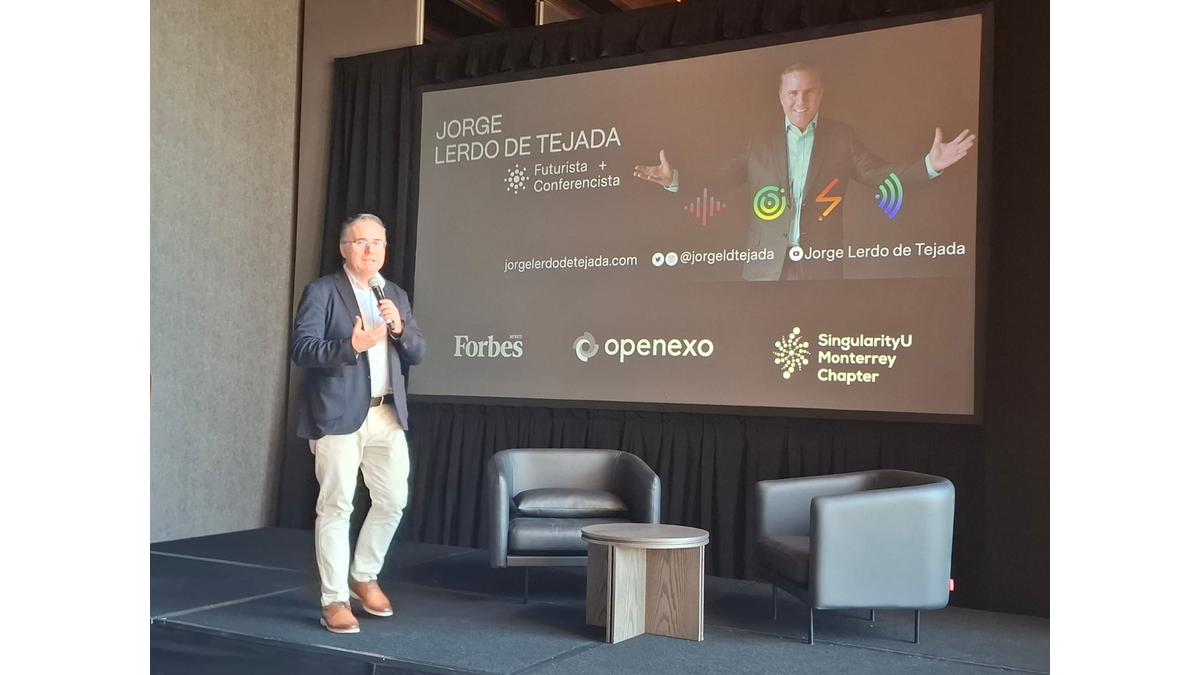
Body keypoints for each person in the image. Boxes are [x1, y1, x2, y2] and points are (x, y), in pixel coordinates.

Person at [634, 62, 976, 280]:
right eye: (793, 93)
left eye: (809, 92)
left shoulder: (841, 138)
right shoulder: (759, 143)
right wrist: (674, 179)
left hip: (820, 269)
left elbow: (878, 174)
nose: (801, 101)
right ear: (781, 96)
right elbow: (721, 178)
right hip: (765, 269)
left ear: (820, 94)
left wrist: (930, 165)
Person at [290, 213, 426, 633]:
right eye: (362, 242)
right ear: (344, 248)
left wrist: (398, 328)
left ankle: (364, 574)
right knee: (337, 506)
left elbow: (418, 351)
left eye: (378, 243)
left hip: (386, 414)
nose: (371, 251)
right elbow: (302, 348)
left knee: (393, 500)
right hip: (337, 414)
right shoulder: (323, 291)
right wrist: (351, 345)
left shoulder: (394, 294)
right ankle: (334, 599)